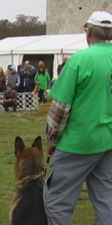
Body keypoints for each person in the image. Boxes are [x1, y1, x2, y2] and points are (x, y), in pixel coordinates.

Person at [44, 11, 112, 225]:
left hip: (77, 142)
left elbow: (60, 109)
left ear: (88, 31)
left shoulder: (79, 60)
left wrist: (52, 141)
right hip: (107, 141)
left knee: (57, 201)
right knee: (106, 200)